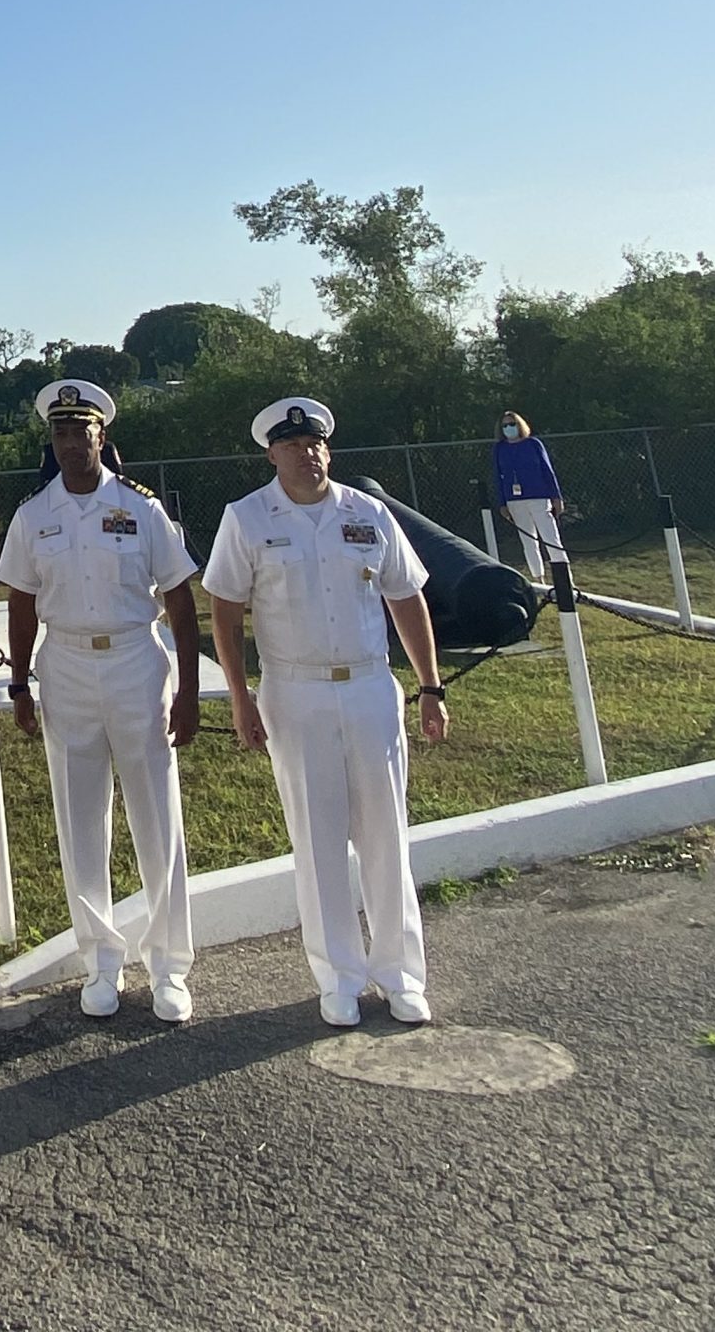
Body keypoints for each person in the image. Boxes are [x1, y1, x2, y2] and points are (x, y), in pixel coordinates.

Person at [203, 397, 450, 1029]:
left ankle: (399, 973)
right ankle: (338, 974)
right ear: (272, 454)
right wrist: (240, 696)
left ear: (328, 449)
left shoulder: (368, 513)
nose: (306, 454)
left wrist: (430, 686)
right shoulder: (247, 518)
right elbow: (225, 611)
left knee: (385, 834)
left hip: (369, 686)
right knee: (316, 837)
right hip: (296, 691)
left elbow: (405, 597)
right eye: (292, 446)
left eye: (315, 443)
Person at [0, 381, 200, 1023]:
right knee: (79, 820)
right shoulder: (33, 515)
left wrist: (191, 688)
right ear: (51, 442)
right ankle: (100, 960)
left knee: (155, 815)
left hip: (136, 662)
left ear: (101, 437)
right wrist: (20, 683)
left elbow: (178, 595)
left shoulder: (141, 508)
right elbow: (23, 601)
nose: (69, 444)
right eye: (58, 434)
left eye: (79, 432)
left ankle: (168, 963)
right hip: (66, 667)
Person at [493, 411, 565, 584]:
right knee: (528, 542)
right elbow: (497, 476)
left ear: (519, 425)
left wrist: (556, 496)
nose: (509, 428)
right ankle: (539, 580)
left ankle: (564, 579)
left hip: (539, 497)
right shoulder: (499, 449)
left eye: (512, 424)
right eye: (505, 425)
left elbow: (548, 471)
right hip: (515, 501)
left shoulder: (533, 444)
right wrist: (503, 503)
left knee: (551, 538)